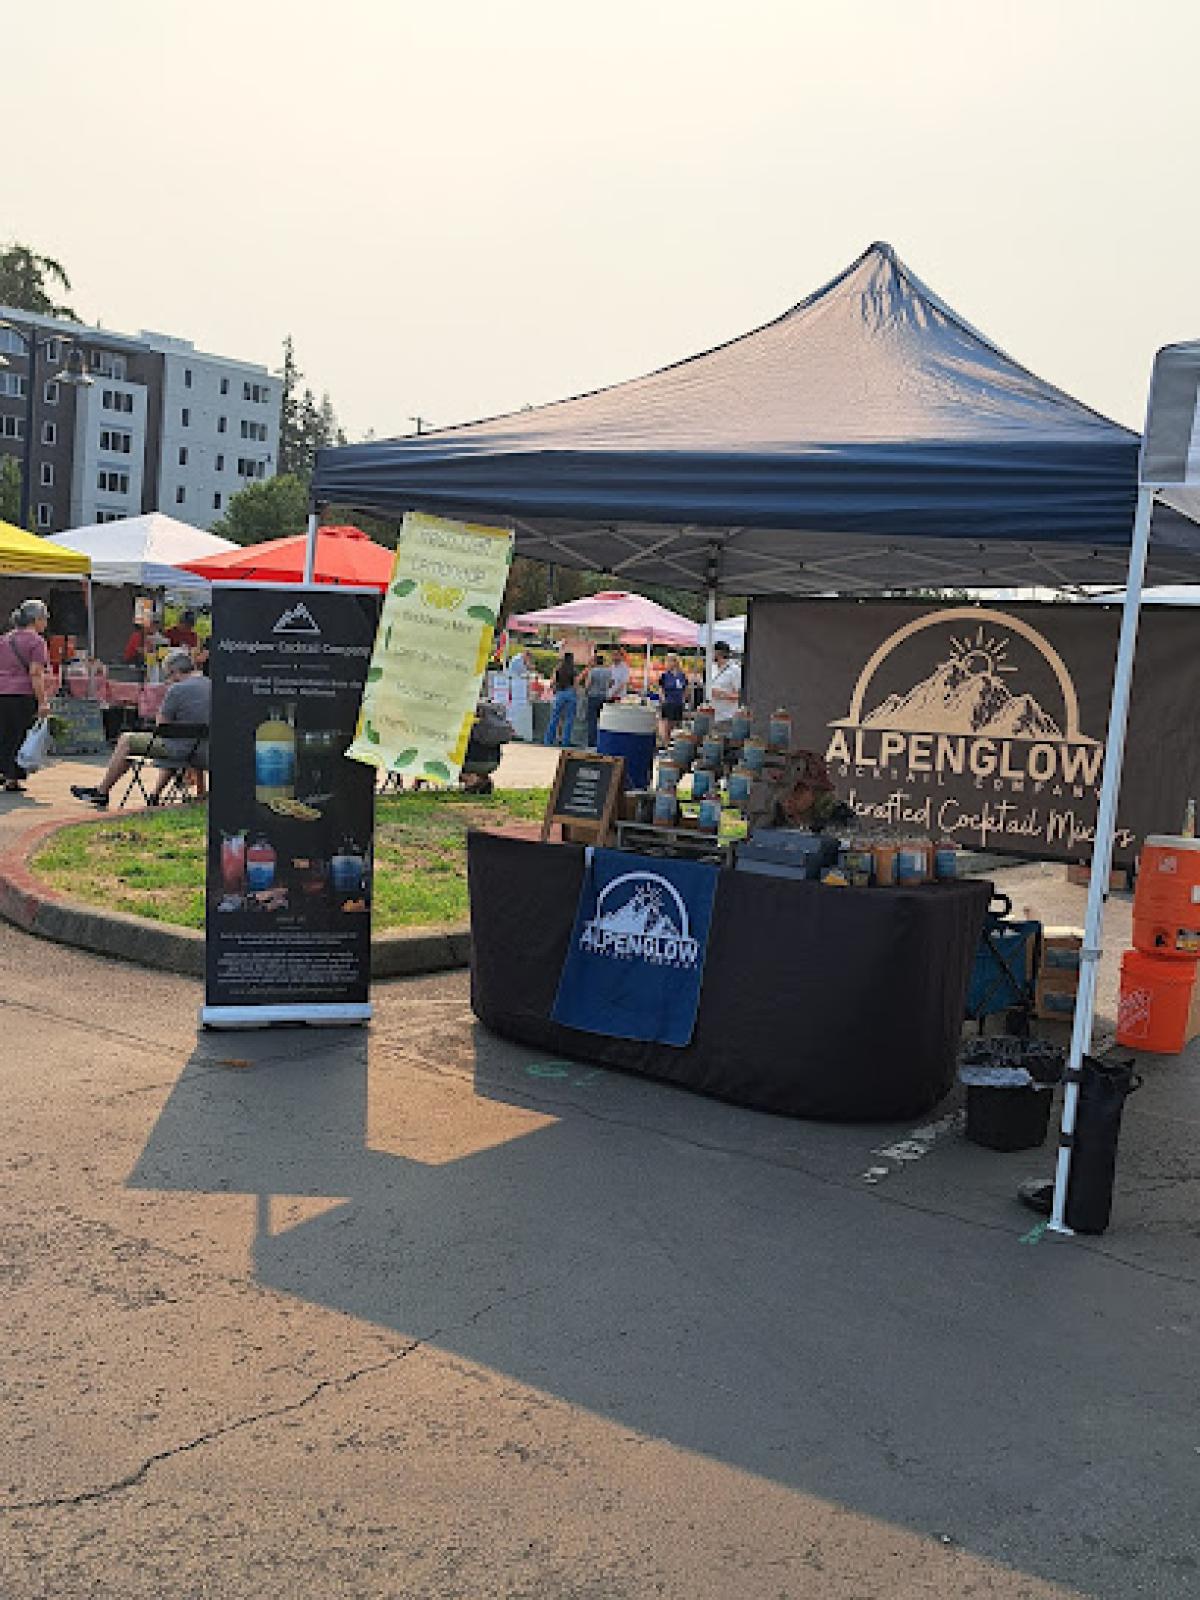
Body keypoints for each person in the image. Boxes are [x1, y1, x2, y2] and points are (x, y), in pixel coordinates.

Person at [71, 649, 211, 809]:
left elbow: (162, 726)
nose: (168, 679)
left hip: (180, 749)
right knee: (176, 743)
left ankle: (102, 791)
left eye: (168, 675)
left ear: (174, 671)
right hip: (205, 750)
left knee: (127, 740)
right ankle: (156, 794)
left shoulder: (177, 689)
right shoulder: (212, 685)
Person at [0, 600, 52, 793]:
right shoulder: (36, 642)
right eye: (44, 618)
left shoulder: (5, 639)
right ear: (36, 619)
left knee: (5, 734)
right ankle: (11, 777)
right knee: (19, 735)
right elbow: (35, 673)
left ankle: (6, 773)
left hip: (2, 692)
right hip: (22, 694)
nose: (45, 623)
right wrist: (43, 702)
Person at [543, 649, 577, 748]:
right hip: (570, 693)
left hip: (560, 693)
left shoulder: (558, 669)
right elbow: (575, 684)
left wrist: (553, 689)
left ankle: (548, 740)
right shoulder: (573, 670)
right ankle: (565, 741)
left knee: (554, 717)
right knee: (569, 719)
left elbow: (552, 682)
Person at [582, 651, 614, 749]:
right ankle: (601, 740)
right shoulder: (609, 671)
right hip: (604, 697)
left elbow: (588, 684)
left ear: (596, 662)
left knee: (592, 720)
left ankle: (592, 742)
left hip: (593, 696)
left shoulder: (593, 671)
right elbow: (611, 684)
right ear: (603, 662)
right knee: (602, 720)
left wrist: (585, 692)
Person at [657, 652, 688, 745]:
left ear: (675, 662)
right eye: (667, 661)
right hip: (668, 701)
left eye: (670, 661)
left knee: (675, 723)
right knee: (667, 723)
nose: (668, 663)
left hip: (678, 702)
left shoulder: (682, 675)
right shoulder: (664, 675)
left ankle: (670, 741)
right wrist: (663, 699)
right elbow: (660, 688)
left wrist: (684, 699)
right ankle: (665, 742)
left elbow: (686, 688)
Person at [709, 640, 742, 728]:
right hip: (712, 715)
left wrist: (723, 694)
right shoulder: (712, 668)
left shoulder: (735, 670)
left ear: (719, 653)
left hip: (727, 716)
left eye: (713, 651)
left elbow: (741, 695)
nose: (711, 654)